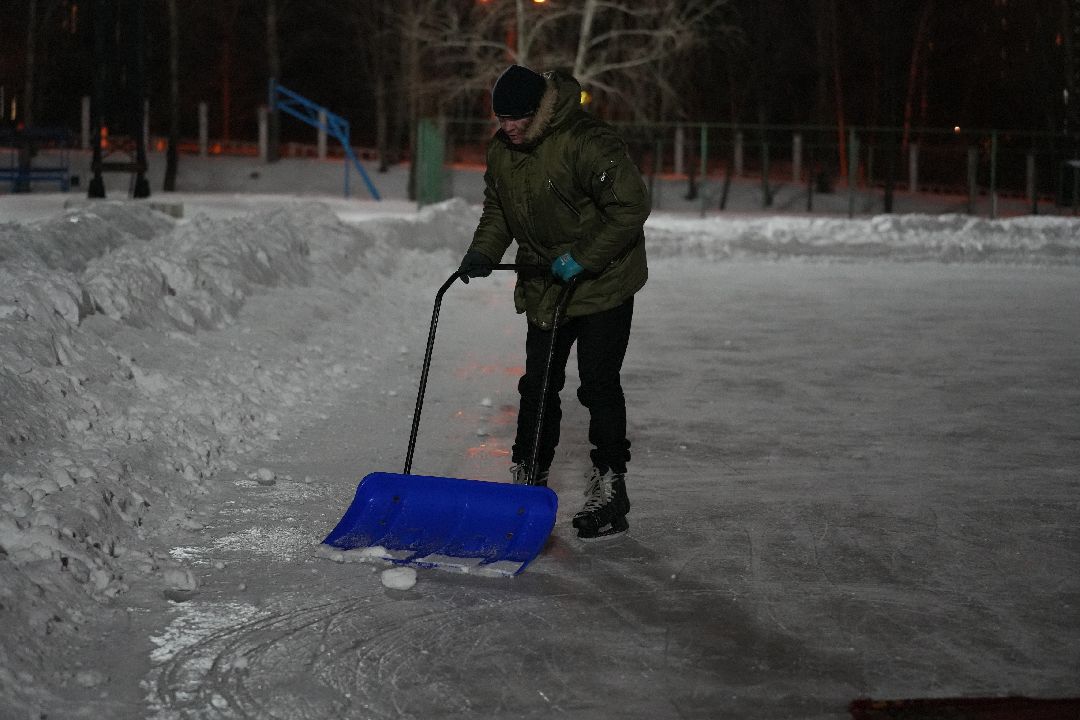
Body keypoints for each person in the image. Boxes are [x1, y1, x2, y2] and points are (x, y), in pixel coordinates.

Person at [457, 64, 650, 539]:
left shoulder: (587, 141)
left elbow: (631, 206)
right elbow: (499, 208)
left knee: (598, 385)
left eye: (517, 118)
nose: (508, 128)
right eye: (501, 119)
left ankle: (610, 486)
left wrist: (583, 257)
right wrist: (484, 249)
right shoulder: (503, 150)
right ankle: (528, 480)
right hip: (545, 280)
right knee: (538, 385)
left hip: (603, 281)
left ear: (539, 109)